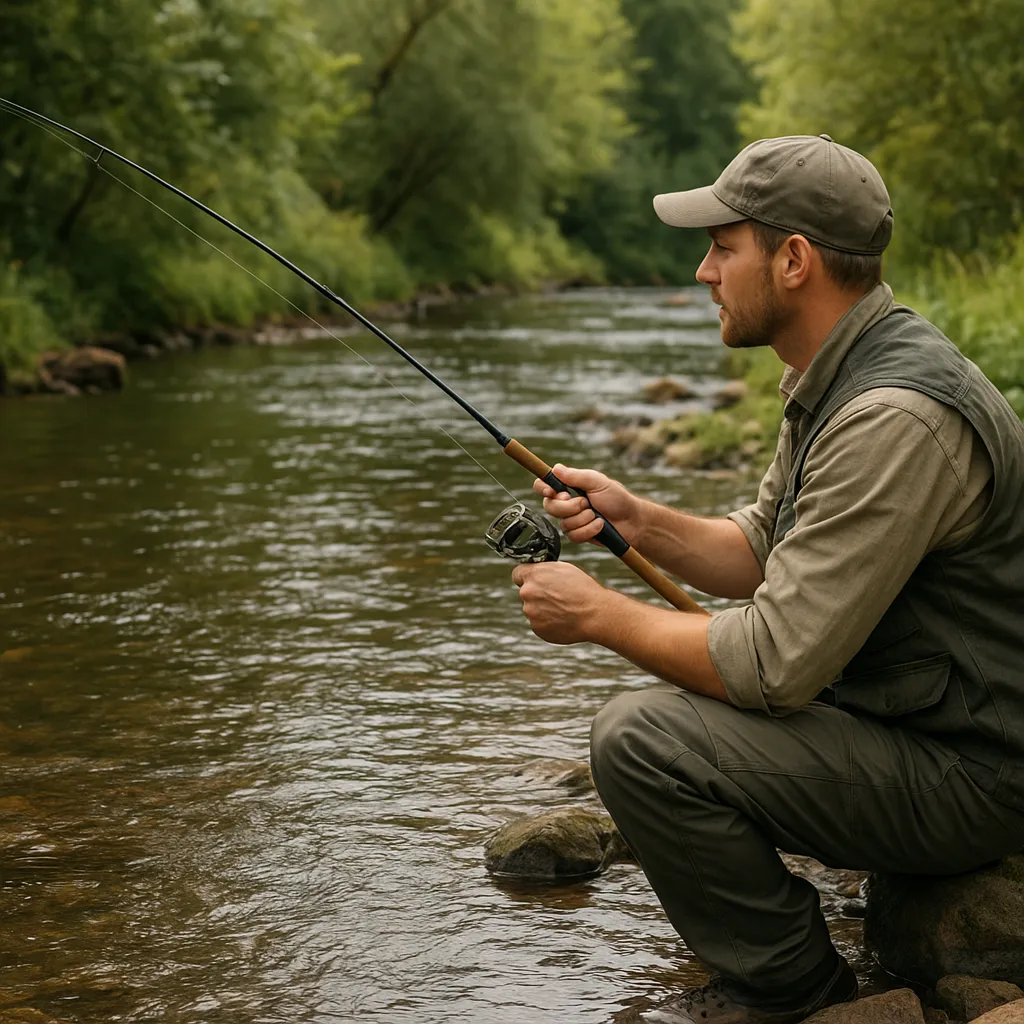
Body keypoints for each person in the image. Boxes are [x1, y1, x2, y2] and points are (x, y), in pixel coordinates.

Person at [511, 134, 1024, 1024]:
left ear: (793, 260)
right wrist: (641, 521)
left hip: (981, 774)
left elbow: (773, 662)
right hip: (925, 725)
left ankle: (796, 991)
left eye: (723, 245)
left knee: (640, 740)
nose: (705, 271)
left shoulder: (892, 418)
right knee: (673, 721)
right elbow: (765, 545)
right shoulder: (836, 368)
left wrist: (600, 616)